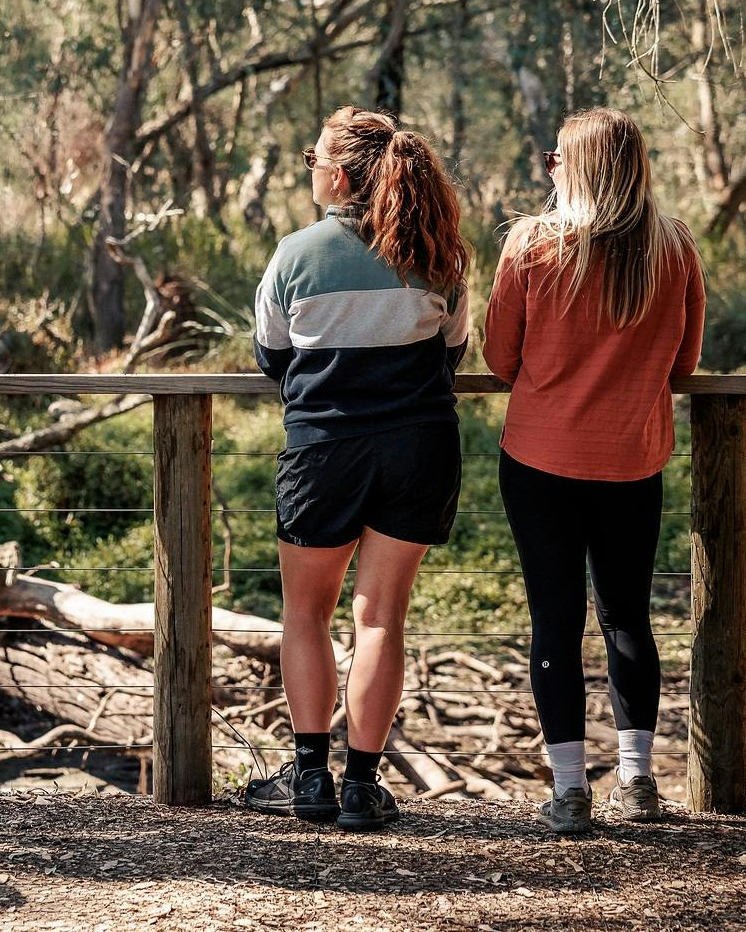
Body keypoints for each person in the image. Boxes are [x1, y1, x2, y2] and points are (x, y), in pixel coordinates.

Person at [245, 106, 470, 830]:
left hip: (323, 450)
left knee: (304, 612)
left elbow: (272, 358)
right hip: (419, 448)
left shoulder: (295, 253)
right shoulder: (438, 251)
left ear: (336, 175)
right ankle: (361, 787)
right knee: (380, 618)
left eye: (311, 158)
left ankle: (309, 777)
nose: (309, 168)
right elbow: (452, 354)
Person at [483, 108, 704, 835]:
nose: (548, 167)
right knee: (627, 615)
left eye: (556, 158)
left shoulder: (532, 245)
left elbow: (497, 360)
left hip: (540, 458)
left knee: (554, 620)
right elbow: (683, 367)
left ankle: (569, 792)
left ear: (571, 168)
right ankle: (637, 781)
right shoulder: (673, 249)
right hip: (631, 458)